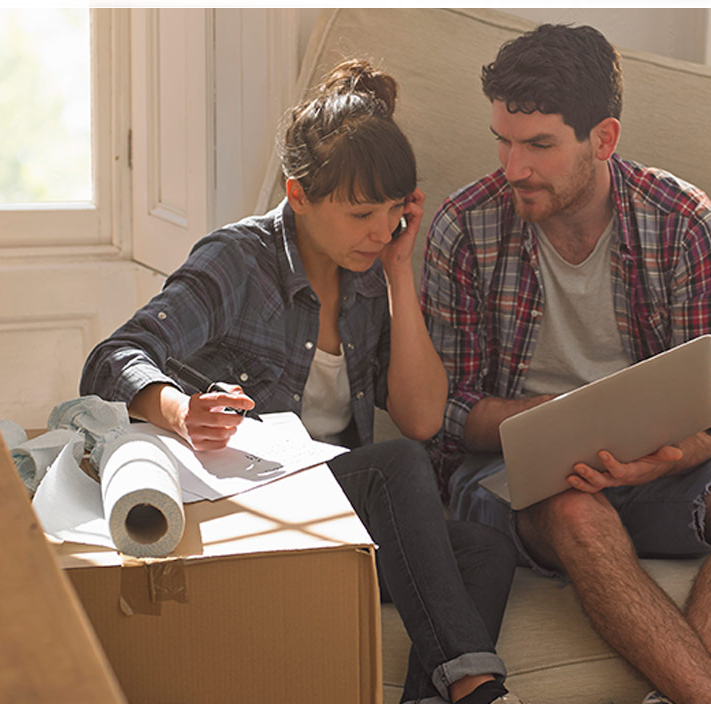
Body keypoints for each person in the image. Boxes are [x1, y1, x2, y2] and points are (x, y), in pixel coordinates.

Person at [81, 59, 519, 705]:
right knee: (396, 463)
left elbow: (424, 415)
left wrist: (400, 270)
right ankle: (477, 688)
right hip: (244, 508)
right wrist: (177, 409)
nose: (378, 230)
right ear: (298, 194)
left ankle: (435, 697)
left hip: (329, 513)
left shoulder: (372, 270)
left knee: (485, 549)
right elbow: (113, 355)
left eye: (393, 212)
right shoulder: (237, 259)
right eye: (361, 212)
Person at [421, 24, 711, 704]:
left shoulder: (684, 222)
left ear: (602, 139)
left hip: (652, 471)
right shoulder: (464, 226)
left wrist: (663, 459)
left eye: (539, 145)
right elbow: (444, 415)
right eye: (503, 139)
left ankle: (670, 696)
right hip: (515, 484)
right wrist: (549, 423)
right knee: (577, 508)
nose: (512, 166)